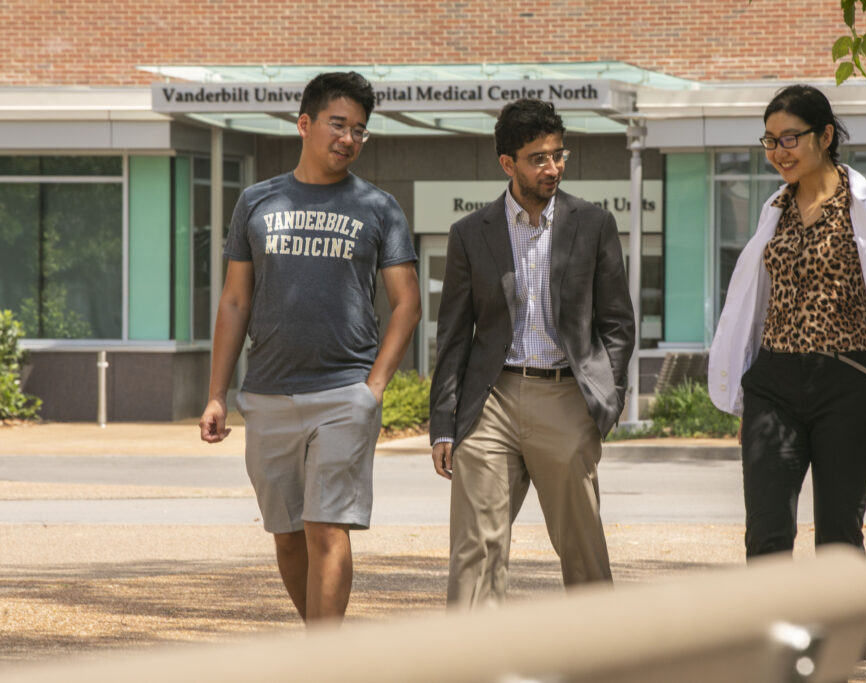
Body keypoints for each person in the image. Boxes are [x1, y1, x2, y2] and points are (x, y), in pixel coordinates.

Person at [199, 72, 421, 622]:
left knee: (327, 525)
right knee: (287, 534)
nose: (348, 139)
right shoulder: (256, 201)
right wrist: (217, 395)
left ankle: (325, 663)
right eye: (338, 125)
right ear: (305, 124)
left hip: (345, 391)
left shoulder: (379, 207)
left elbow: (408, 304)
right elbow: (233, 303)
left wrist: (373, 388)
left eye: (360, 131)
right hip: (268, 395)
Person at [429, 98, 635, 609]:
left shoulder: (593, 224)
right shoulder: (469, 234)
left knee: (582, 548)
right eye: (538, 158)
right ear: (508, 164)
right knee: (476, 546)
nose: (553, 168)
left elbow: (617, 323)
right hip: (491, 400)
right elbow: (453, 335)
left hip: (566, 395)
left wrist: (603, 403)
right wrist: (443, 424)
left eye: (558, 155)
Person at [708, 84, 866, 559]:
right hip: (774, 382)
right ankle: (777, 636)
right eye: (769, 141)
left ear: (825, 135)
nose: (778, 152)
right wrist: (747, 393)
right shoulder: (775, 210)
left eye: (790, 138)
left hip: (850, 381)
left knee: (838, 538)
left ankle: (840, 637)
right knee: (765, 535)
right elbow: (755, 302)